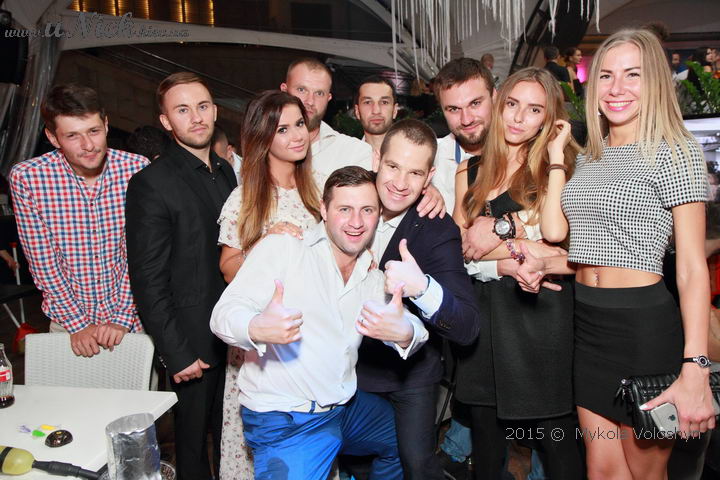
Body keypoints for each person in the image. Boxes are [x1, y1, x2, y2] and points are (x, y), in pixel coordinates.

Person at [541, 29, 715, 479]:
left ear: (654, 81)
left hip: (642, 330)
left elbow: (691, 268)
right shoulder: (590, 158)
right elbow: (589, 248)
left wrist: (695, 366)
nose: (616, 88)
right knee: (601, 470)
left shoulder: (675, 150)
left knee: (644, 474)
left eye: (632, 75)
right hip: (586, 325)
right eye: (606, 76)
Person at [210, 166, 429, 480]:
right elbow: (224, 314)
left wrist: (405, 332)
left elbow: (414, 328)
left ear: (378, 214)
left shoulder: (370, 276)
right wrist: (256, 326)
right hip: (288, 420)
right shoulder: (285, 248)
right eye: (344, 209)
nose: (356, 222)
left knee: (405, 440)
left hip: (344, 407)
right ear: (324, 210)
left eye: (367, 210)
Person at [452, 67, 583, 479]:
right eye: (512, 104)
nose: (519, 117)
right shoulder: (469, 170)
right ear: (499, 103)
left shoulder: (558, 169)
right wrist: (512, 255)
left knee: (557, 443)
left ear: (549, 118)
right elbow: (456, 251)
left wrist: (499, 229)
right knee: (486, 448)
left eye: (534, 109)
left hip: (541, 319)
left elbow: (565, 248)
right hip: (483, 322)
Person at [354, 119, 482, 479]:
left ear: (429, 178)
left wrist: (424, 288)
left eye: (415, 173)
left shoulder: (436, 229)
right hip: (346, 367)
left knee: (416, 464)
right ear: (377, 160)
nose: (400, 183)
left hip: (408, 378)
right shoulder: (349, 198)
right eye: (393, 166)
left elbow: (468, 326)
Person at [125, 72, 237, 480]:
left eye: (202, 106)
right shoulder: (150, 183)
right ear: (166, 120)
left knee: (230, 440)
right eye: (183, 110)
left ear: (215, 111)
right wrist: (175, 352)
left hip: (233, 335)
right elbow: (147, 279)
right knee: (192, 449)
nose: (196, 117)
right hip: (192, 344)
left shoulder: (226, 171)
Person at [215, 90, 323, 478]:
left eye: (300, 124)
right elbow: (228, 269)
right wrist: (264, 244)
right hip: (262, 345)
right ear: (263, 137)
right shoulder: (246, 197)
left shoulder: (316, 191)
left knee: (311, 449)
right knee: (261, 456)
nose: (297, 135)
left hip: (309, 339)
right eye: (283, 129)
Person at [9, 84, 147, 357]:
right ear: (53, 137)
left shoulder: (136, 168)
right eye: (72, 135)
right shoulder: (29, 178)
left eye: (94, 131)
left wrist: (122, 315)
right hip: (68, 326)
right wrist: (78, 324)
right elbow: (43, 261)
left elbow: (140, 253)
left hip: (131, 321)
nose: (88, 145)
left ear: (106, 125)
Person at [281, 57, 445, 218]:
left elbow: (392, 181)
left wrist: (425, 189)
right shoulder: (264, 147)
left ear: (328, 98)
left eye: (319, 93)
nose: (310, 101)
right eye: (301, 90)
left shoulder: (355, 151)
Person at [353, 75, 398, 152]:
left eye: (384, 102)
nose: (376, 111)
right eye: (367, 102)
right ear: (357, 111)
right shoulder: (346, 156)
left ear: (395, 110)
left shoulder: (413, 154)